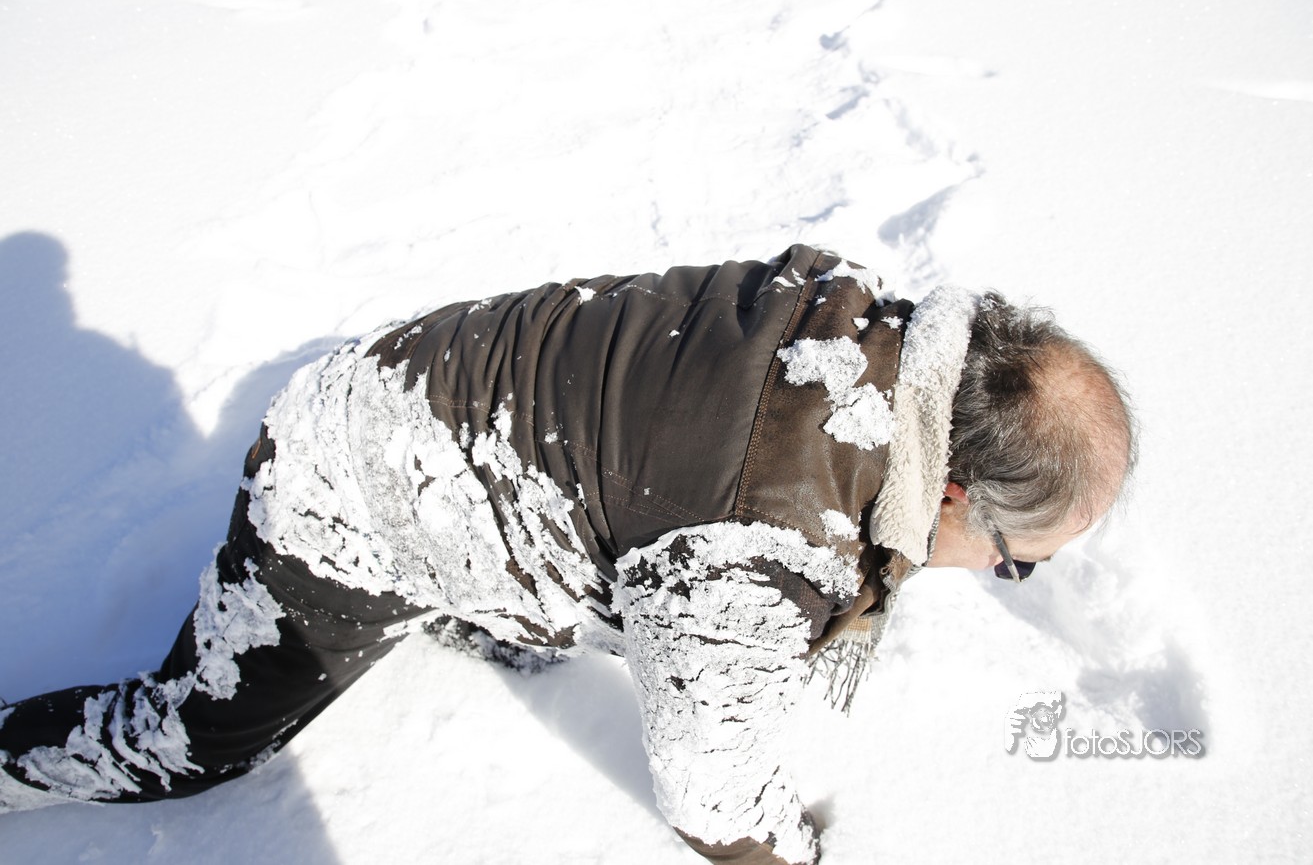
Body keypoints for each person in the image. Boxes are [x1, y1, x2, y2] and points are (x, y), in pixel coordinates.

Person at [0, 244, 1134, 864]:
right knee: (192, 737)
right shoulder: (759, 550)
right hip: (349, 486)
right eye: (1016, 559)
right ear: (952, 492)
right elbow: (710, 786)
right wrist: (790, 854)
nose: (1006, 575)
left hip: (430, 394)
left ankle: (471, 599)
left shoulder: (855, 327)